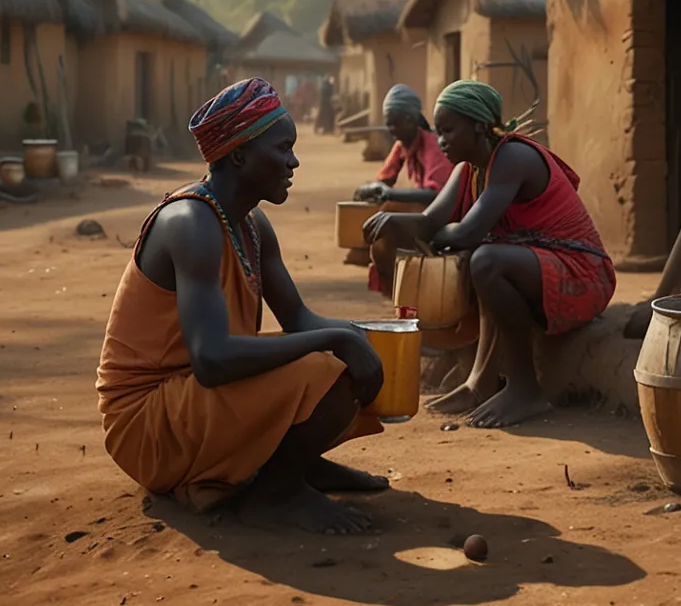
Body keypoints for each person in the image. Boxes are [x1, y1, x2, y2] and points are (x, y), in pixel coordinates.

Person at [96, 78, 387, 534]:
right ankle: (277, 494)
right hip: (147, 424)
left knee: (347, 357)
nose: (293, 161)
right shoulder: (191, 223)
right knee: (325, 371)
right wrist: (337, 340)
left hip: (191, 396)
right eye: (283, 148)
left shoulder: (251, 225)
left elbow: (298, 320)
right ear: (239, 155)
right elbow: (211, 362)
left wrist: (367, 335)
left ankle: (296, 468)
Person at [363, 80, 616, 428]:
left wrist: (437, 234)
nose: (441, 140)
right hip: (540, 269)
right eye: (438, 132)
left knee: (485, 260)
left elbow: (466, 232)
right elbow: (430, 222)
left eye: (449, 130)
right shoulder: (468, 169)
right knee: (480, 257)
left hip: (582, 275)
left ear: (480, 126)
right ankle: (480, 382)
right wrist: (392, 222)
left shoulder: (513, 156)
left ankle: (525, 389)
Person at [354, 84, 455, 297]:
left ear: (410, 120)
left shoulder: (434, 146)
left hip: (446, 214)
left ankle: (406, 291)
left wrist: (389, 194)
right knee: (383, 215)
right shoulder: (402, 144)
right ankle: (397, 290)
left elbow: (437, 195)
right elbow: (384, 178)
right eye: (388, 124)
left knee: (390, 211)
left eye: (394, 123)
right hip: (424, 212)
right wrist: (368, 190)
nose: (391, 130)